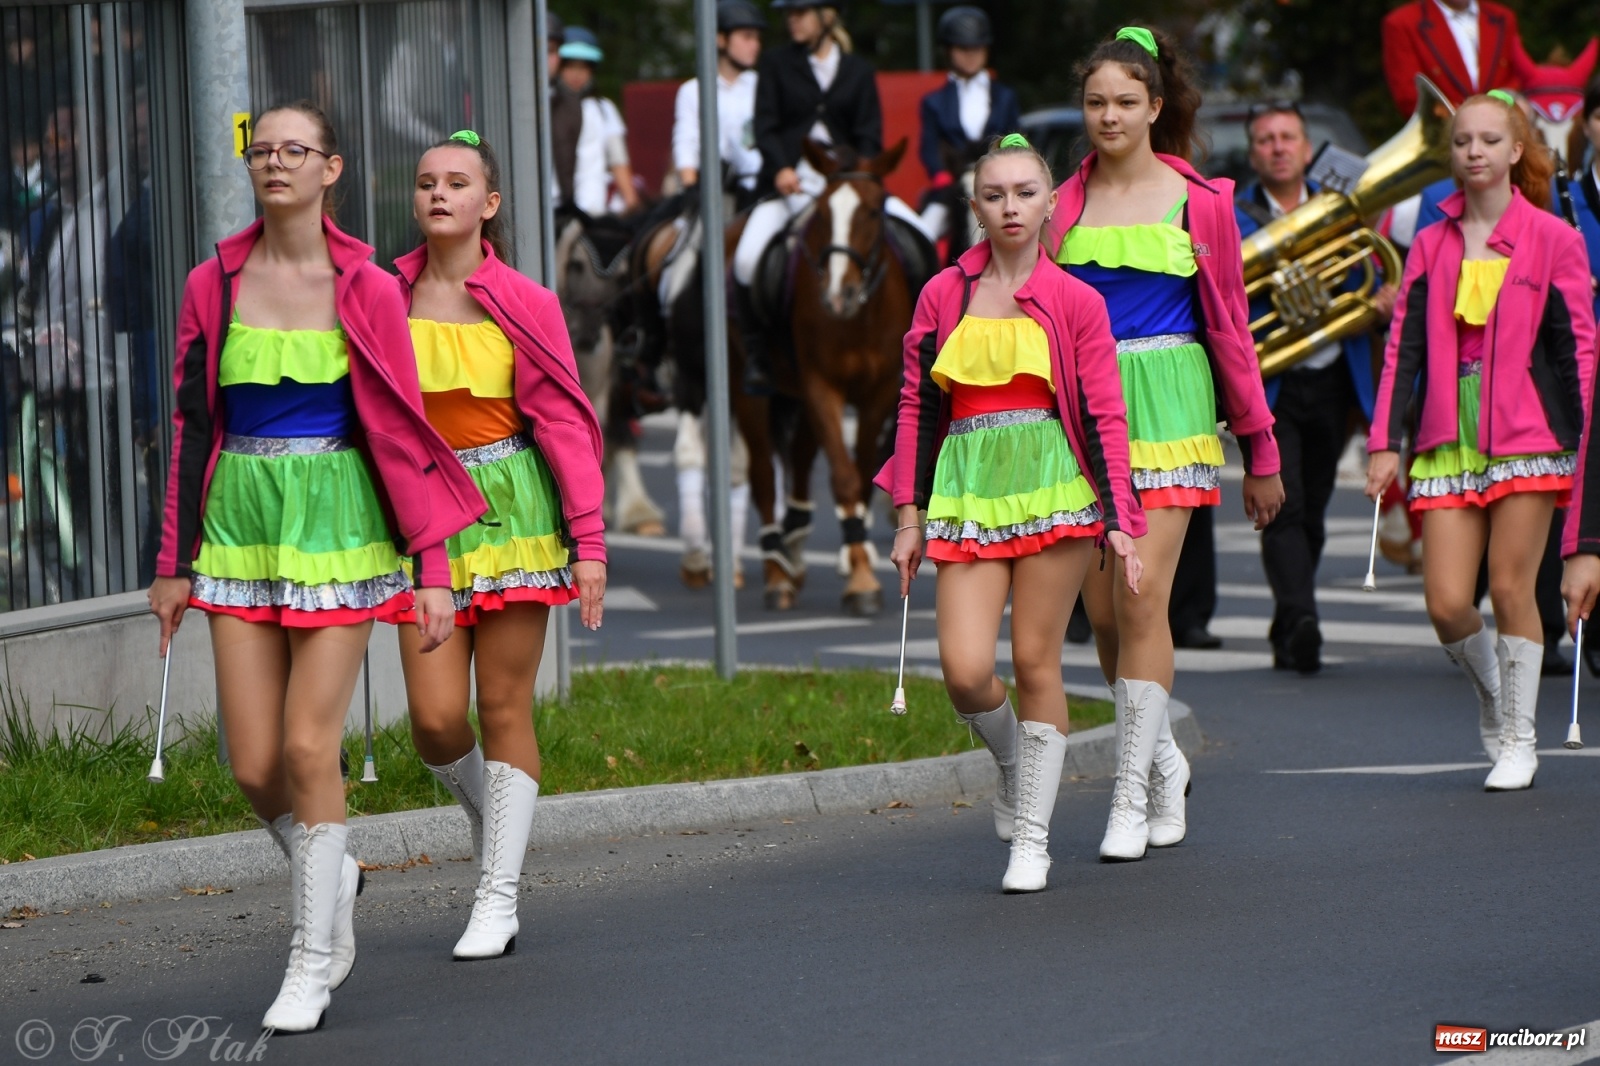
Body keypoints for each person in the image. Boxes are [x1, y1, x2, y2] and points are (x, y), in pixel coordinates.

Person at [145, 102, 484, 1032]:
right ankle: (333, 869)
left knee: (307, 747)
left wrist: (433, 568)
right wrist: (172, 562)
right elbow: (188, 425)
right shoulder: (210, 281)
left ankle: (313, 957)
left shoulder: (369, 284)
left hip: (338, 524)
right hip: (239, 529)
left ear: (332, 169)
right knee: (254, 765)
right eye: (263, 152)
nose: (276, 165)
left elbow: (408, 434)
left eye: (297, 151)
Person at [1046, 26, 1284, 862]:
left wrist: (1261, 448)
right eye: (1095, 102)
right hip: (1084, 414)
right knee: (1104, 616)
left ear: (1154, 106)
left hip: (1173, 405)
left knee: (1144, 602)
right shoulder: (1058, 204)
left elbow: (1230, 329)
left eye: (1124, 102)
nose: (1108, 116)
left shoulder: (1204, 200)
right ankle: (1165, 755)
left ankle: (1128, 790)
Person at [885, 134, 1144, 893]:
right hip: (965, 493)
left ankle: (1031, 837)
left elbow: (1104, 414)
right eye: (994, 195)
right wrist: (909, 512)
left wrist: (1121, 513)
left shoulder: (1076, 299)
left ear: (1051, 201)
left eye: (1025, 193)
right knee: (965, 674)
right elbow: (915, 407)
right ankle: (1011, 761)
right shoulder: (942, 294)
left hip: (1055, 489)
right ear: (975, 207)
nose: (1010, 207)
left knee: (1036, 661)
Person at [395, 130, 607, 960]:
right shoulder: (380, 295)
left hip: (514, 508)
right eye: (425, 183)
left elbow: (560, 421)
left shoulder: (527, 298)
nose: (438, 194)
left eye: (457, 182)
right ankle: (496, 815)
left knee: (504, 706)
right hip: (424, 517)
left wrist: (587, 542)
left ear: (488, 205)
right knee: (436, 721)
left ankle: (498, 892)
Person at [1366, 91, 1595, 793]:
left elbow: (1577, 348)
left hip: (1529, 431)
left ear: (1515, 151)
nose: (1472, 152)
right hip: (1445, 433)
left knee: (1508, 585)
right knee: (1445, 603)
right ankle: (1496, 693)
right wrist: (1383, 438)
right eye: (1462, 141)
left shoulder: (1554, 236)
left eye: (1489, 141)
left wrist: (1589, 445)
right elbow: (1402, 343)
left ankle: (1521, 739)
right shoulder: (1431, 242)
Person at [1236, 101, 1394, 673]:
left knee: (1315, 507)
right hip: (1270, 387)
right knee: (1286, 505)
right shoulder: (1234, 217)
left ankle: (1289, 619)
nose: (1278, 147)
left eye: (1288, 137)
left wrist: (1380, 306)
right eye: (1266, 139)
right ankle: (1303, 619)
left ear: (1306, 149)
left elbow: (1367, 270)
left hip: (1332, 377)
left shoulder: (1342, 207)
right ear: (1254, 153)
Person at [731, 0, 927, 394]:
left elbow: (870, 133)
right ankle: (759, 356)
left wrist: (862, 176)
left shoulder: (858, 70)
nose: (792, 21)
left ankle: (925, 349)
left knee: (920, 240)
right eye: (788, 14)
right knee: (747, 259)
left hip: (851, 182)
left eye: (800, 13)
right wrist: (781, 167)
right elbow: (766, 127)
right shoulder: (775, 64)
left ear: (827, 17)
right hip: (795, 180)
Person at [914, 6, 1021, 244]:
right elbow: (929, 147)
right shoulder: (934, 102)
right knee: (922, 236)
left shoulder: (1005, 98)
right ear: (948, 51)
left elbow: (1016, 140)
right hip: (952, 188)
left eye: (977, 48)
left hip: (998, 186)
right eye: (963, 49)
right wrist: (940, 175)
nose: (971, 55)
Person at [671, 0, 764, 201]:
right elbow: (686, 142)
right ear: (720, 39)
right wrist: (690, 187)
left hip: (761, 188)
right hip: (710, 191)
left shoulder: (763, 85)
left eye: (757, 38)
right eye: (747, 37)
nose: (755, 45)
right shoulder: (692, 90)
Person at [1381, 0, 1534, 117]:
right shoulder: (1402, 23)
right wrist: (1465, 121)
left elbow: (1515, 78)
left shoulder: (1503, 17)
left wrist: (1499, 111)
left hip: (1500, 132)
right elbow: (1411, 98)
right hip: (1444, 141)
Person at [551, 27, 640, 216]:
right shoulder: (547, 105)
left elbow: (618, 158)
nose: (577, 74)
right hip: (554, 208)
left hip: (593, 209)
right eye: (570, 66)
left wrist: (631, 200)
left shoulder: (604, 109)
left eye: (583, 67)